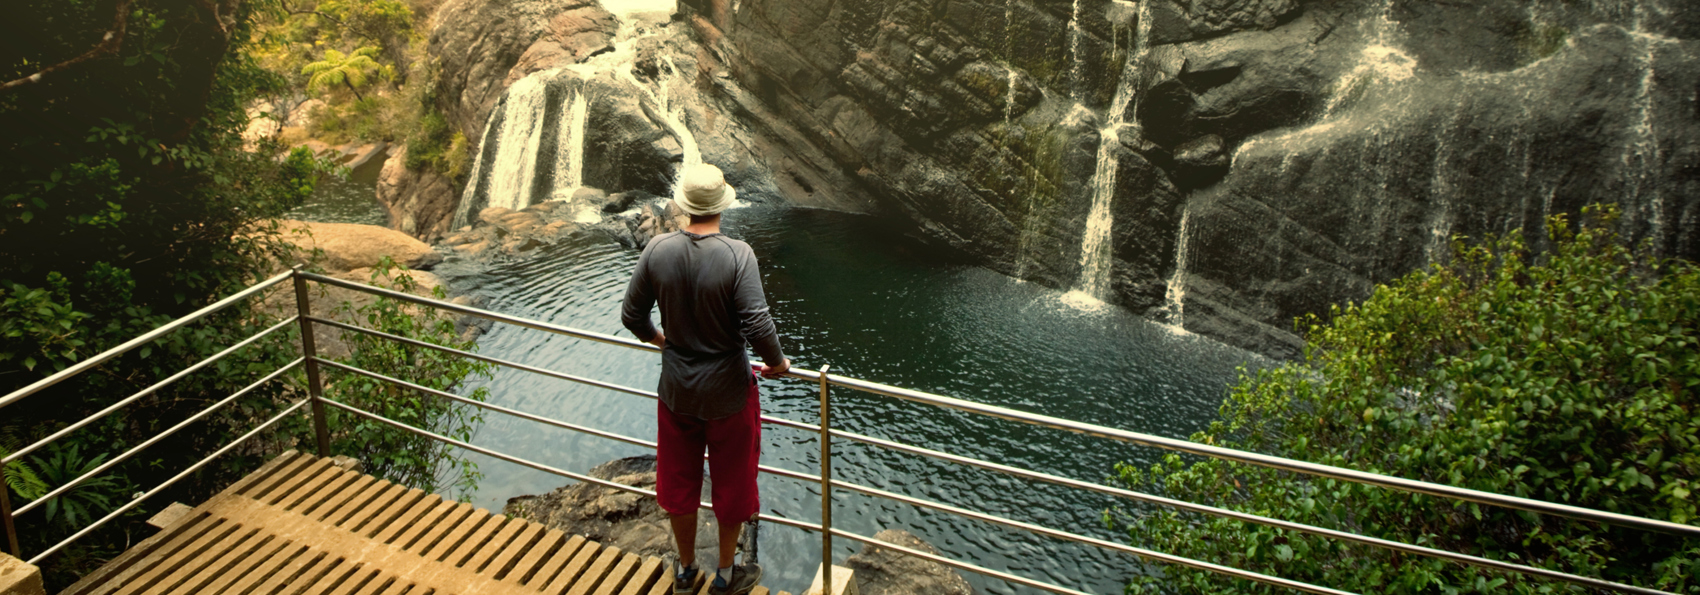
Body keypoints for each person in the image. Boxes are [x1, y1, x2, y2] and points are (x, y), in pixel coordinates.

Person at [621, 163, 790, 595]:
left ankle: (685, 569)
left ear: (684, 205)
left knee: (679, 480)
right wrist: (778, 362)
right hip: (729, 392)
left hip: (677, 389)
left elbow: (631, 315)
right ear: (721, 206)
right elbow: (757, 322)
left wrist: (662, 341)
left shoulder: (657, 249)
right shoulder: (738, 254)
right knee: (733, 481)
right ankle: (728, 573)